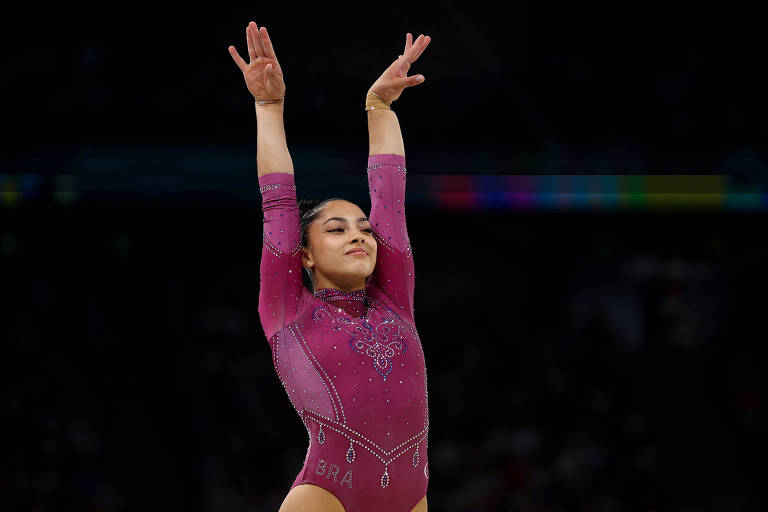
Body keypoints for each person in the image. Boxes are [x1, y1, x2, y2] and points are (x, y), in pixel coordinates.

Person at [228, 21, 432, 512]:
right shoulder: (287, 310)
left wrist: (379, 107)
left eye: (363, 228)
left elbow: (391, 201)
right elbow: (277, 204)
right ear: (304, 254)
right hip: (327, 493)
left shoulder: (394, 300)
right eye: (336, 230)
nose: (359, 235)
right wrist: (268, 106)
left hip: (410, 497)